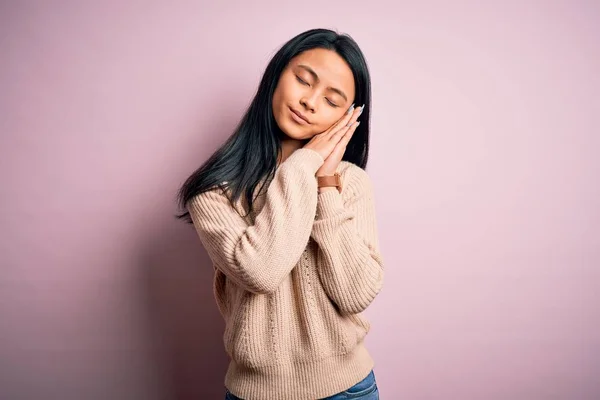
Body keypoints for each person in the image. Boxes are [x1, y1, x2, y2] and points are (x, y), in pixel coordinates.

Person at [176, 28, 384, 400]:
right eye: (304, 80)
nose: (310, 102)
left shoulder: (348, 183)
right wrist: (302, 166)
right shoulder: (214, 191)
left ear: (346, 119)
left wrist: (326, 187)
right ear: (276, 75)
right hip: (255, 393)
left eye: (332, 100)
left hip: (349, 389)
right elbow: (262, 271)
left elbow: (356, 295)